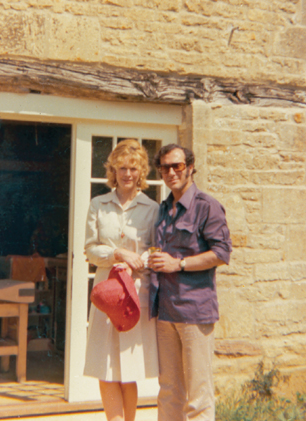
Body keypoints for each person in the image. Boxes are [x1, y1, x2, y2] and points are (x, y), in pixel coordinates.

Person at [148, 144, 232, 421]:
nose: (171, 172)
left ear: (191, 167)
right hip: (166, 310)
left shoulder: (207, 207)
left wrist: (179, 263)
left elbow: (221, 253)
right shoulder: (163, 209)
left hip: (195, 311)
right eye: (165, 167)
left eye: (178, 166)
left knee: (198, 393)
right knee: (169, 389)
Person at [84, 139, 159, 421]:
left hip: (135, 291)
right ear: (112, 171)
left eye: (133, 168)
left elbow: (156, 250)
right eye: (121, 168)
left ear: (141, 172)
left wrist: (139, 261)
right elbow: (90, 249)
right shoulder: (98, 204)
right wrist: (117, 253)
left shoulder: (151, 208)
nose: (127, 174)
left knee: (128, 366)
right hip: (107, 292)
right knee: (106, 364)